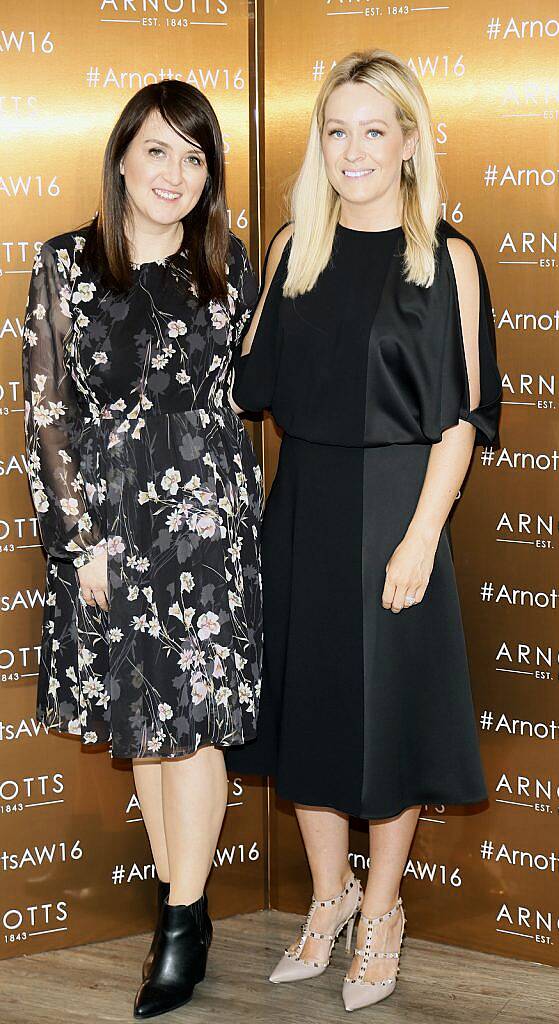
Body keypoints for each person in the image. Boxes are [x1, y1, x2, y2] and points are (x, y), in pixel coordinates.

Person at [227, 49, 502, 1012]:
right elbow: (253, 384)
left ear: (410, 140)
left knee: (389, 722)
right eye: (336, 130)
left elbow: (463, 417)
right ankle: (328, 898)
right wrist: (276, 279)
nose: (352, 149)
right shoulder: (292, 247)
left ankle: (382, 912)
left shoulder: (449, 258)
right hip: (302, 502)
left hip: (401, 505)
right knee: (306, 713)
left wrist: (424, 533)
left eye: (373, 129)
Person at [22, 80, 262, 1019]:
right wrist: (79, 541)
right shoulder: (66, 263)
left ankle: (181, 921)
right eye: (158, 150)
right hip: (114, 526)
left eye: (195, 157)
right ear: (122, 155)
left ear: (210, 177)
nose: (175, 173)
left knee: (193, 725)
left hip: (209, 520)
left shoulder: (229, 266)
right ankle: (186, 914)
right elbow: (47, 414)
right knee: (150, 733)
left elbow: (250, 390)